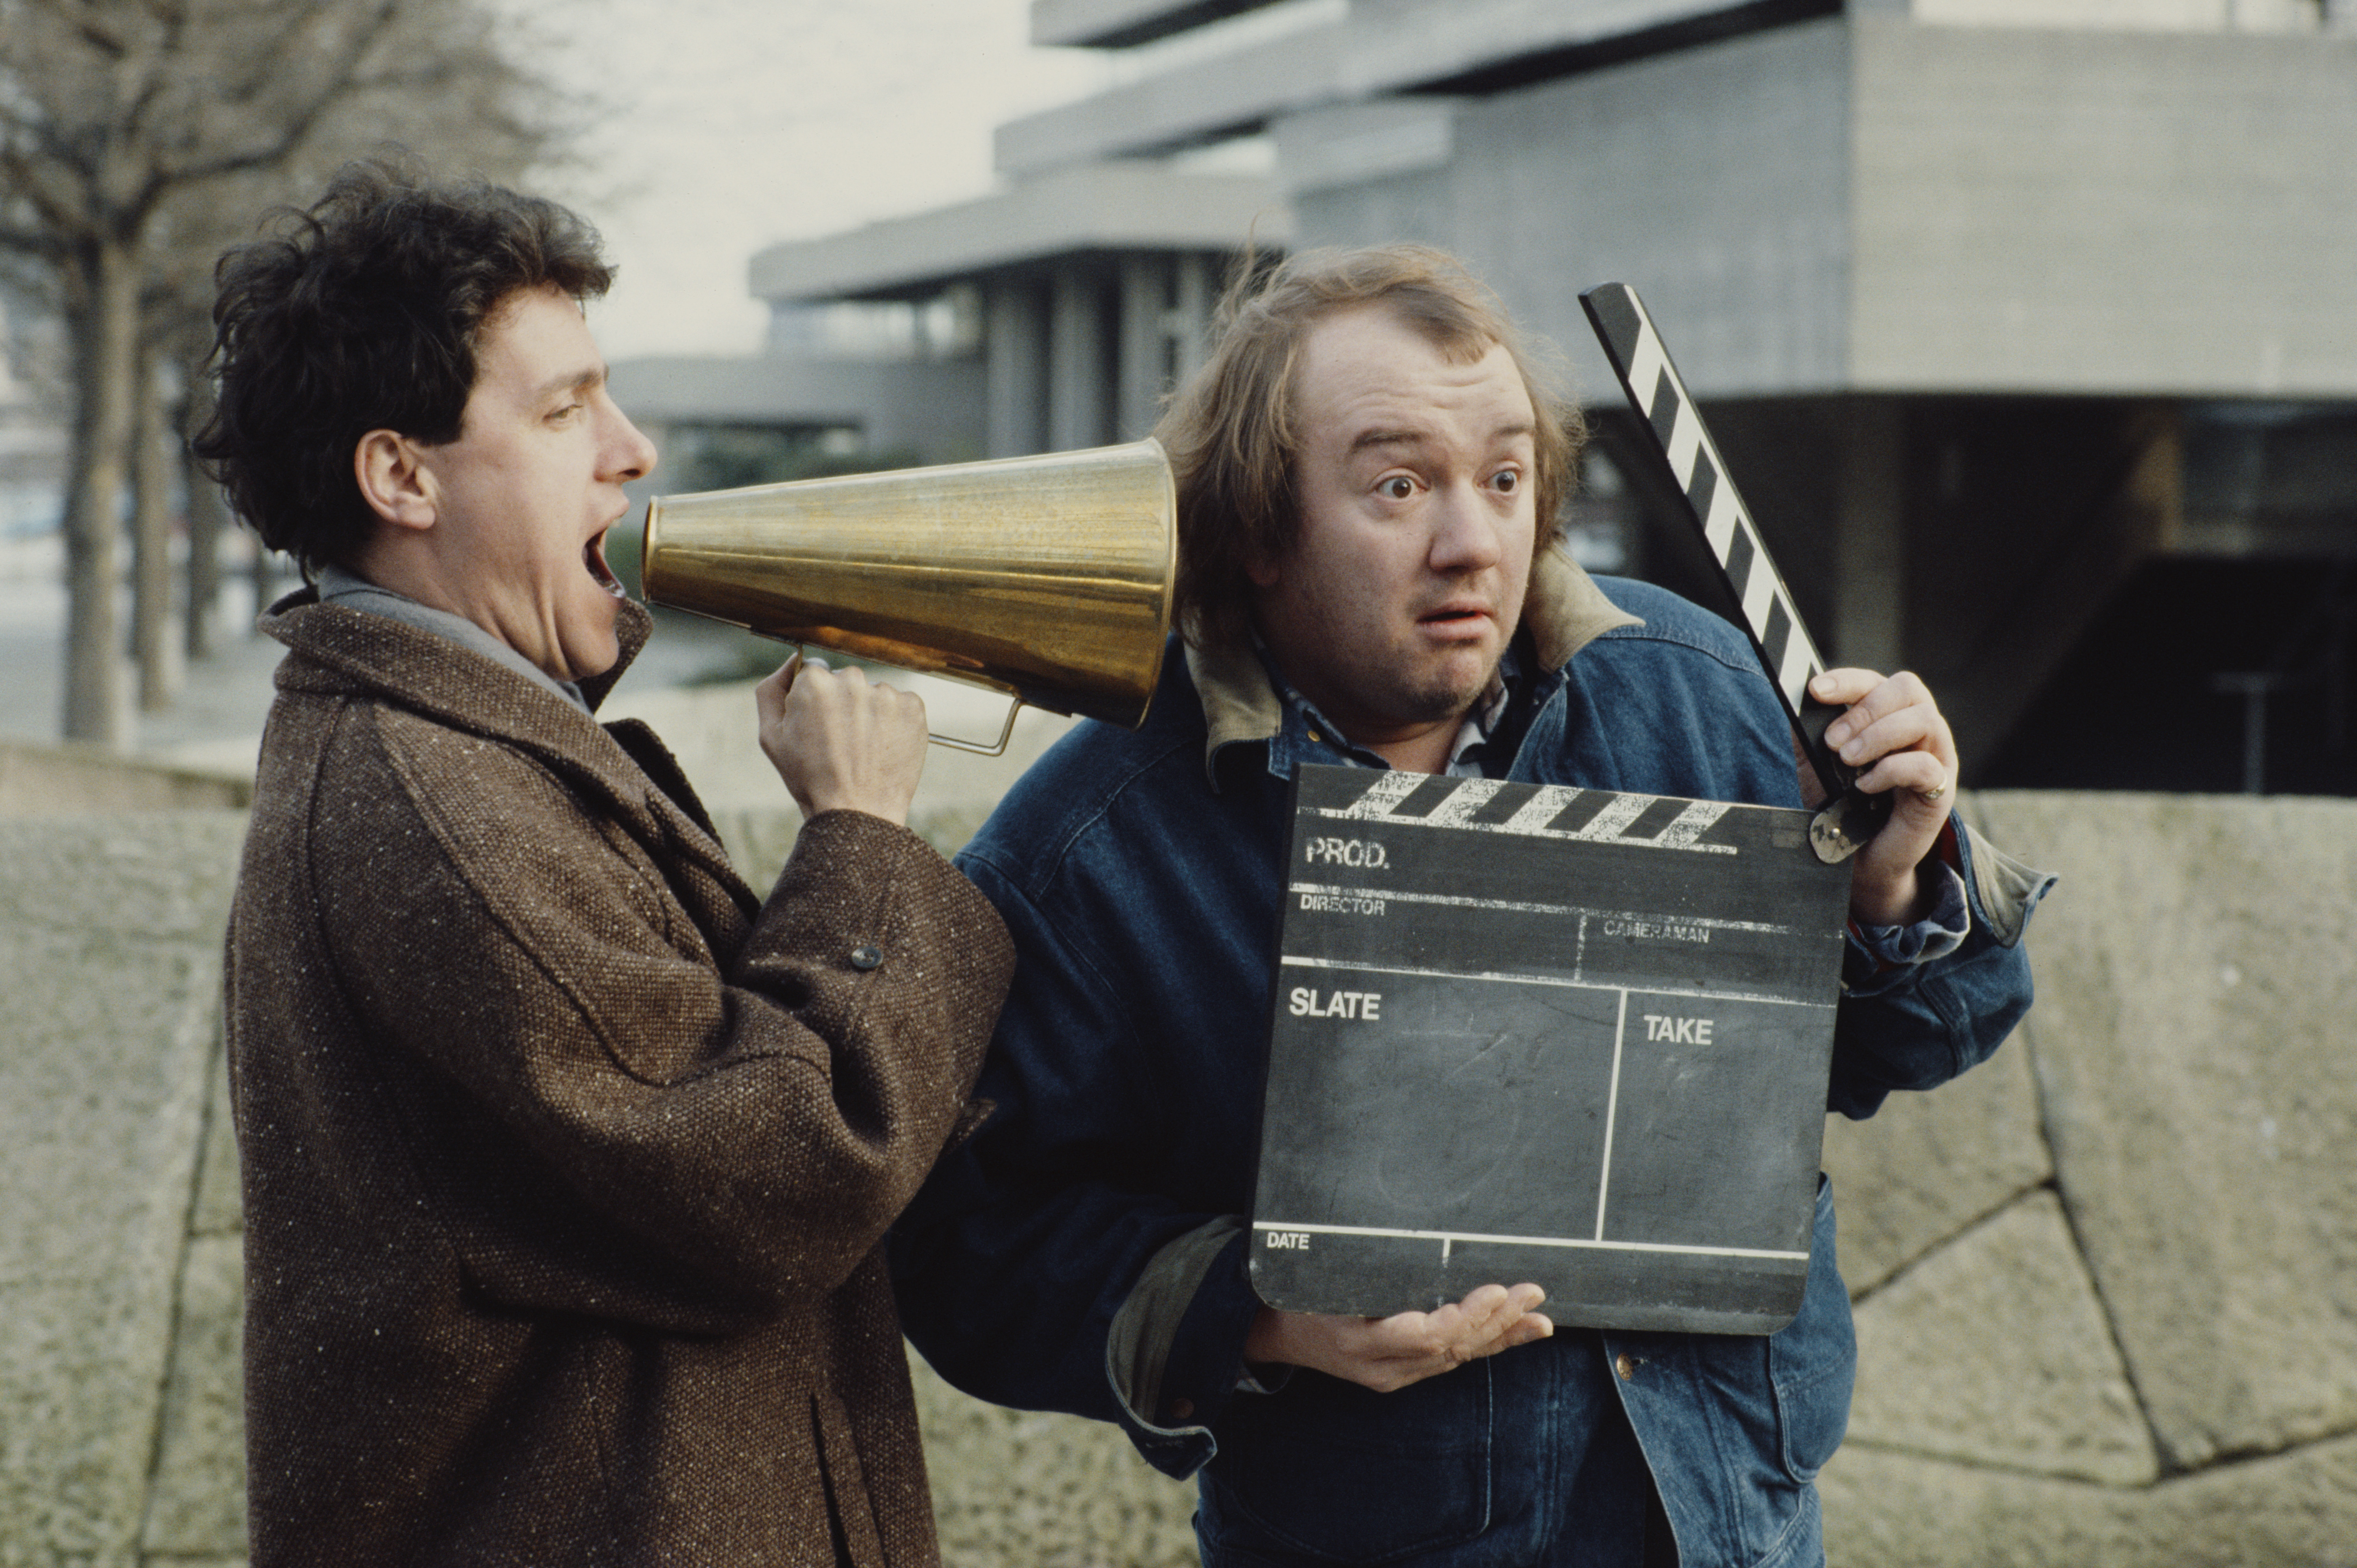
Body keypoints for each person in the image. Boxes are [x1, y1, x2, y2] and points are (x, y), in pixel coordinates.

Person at [890, 246, 2052, 1568]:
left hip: (1731, 1524)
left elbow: (1916, 1038)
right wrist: (1263, 1310)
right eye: (1398, 486)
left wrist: (1895, 884)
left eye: (1505, 479)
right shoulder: (1096, 846)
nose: (1471, 542)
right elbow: (968, 1247)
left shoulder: (1696, 691)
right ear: (1259, 531)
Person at [200, 159, 1013, 1567]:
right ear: (400, 476)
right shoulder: (439, 807)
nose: (632, 449)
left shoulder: (466, 755)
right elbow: (784, 1179)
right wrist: (861, 835)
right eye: (567, 408)